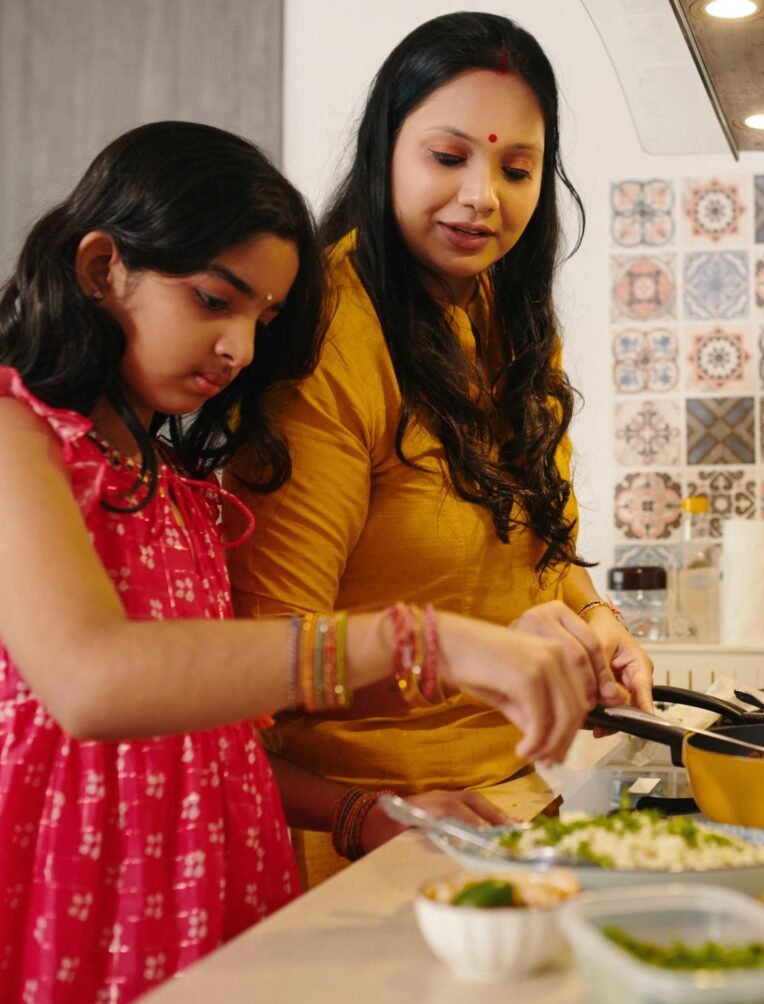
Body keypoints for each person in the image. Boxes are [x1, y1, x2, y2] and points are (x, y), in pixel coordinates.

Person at [0, 121, 599, 1004]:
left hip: (207, 886)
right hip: (52, 891)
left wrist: (364, 812)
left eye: (263, 319)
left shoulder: (176, 489)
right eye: (216, 300)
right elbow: (94, 684)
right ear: (102, 268)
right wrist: (418, 639)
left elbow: (209, 741)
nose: (239, 350)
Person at [226, 11, 653, 886]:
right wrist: (366, 810)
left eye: (517, 168)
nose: (482, 197)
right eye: (448, 157)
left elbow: (526, 541)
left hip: (509, 813)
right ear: (387, 149)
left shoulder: (505, 315)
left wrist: (597, 622)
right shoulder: (328, 335)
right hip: (365, 843)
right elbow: (275, 654)